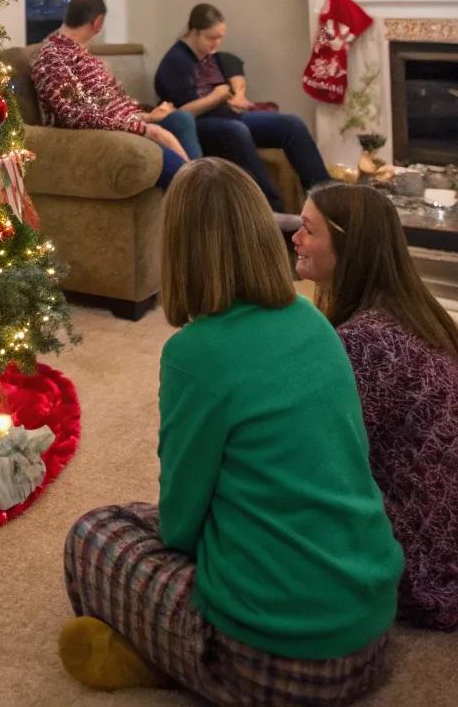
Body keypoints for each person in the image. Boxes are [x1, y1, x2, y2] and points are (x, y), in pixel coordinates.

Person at [60, 159, 402, 703]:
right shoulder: (313, 318)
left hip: (280, 661)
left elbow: (180, 524)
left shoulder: (194, 354)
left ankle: (168, 662)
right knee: (151, 516)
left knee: (93, 532)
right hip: (372, 627)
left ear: (179, 250)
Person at [294, 182, 458, 632]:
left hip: (421, 572)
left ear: (347, 245)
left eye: (308, 229)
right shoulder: (410, 313)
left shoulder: (366, 343)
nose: (295, 236)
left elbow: (319, 463)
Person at [154, 3, 329, 211]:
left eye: (220, 37)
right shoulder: (176, 62)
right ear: (194, 32)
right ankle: (270, 208)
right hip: (201, 126)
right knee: (237, 131)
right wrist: (217, 96)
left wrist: (236, 95)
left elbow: (231, 62)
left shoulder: (206, 54)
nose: (216, 43)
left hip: (227, 115)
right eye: (211, 38)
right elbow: (182, 114)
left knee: (292, 124)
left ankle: (326, 197)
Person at [32, 0, 199, 190]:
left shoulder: (79, 51)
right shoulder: (53, 58)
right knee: (172, 158)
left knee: (181, 118)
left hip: (128, 121)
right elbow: (78, 118)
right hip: (105, 136)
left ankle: (202, 183)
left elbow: (114, 102)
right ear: (98, 22)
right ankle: (198, 193)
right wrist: (144, 127)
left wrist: (147, 113)